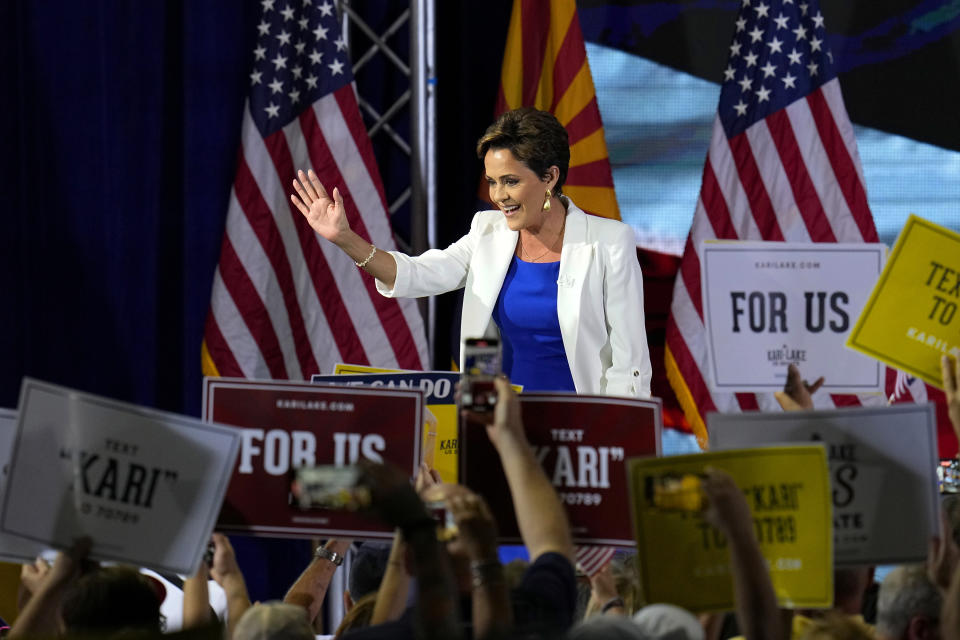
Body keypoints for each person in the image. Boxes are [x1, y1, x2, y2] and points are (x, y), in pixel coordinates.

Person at [290, 107, 652, 398]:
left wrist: (614, 436)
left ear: (550, 177)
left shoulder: (609, 242)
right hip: (500, 426)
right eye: (492, 182)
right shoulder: (487, 232)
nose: (499, 196)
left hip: (581, 426)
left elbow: (629, 362)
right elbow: (417, 274)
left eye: (511, 181)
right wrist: (345, 238)